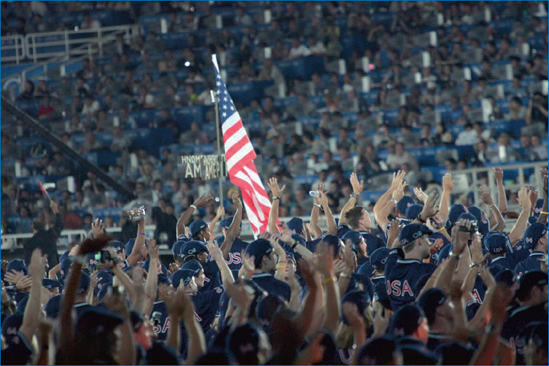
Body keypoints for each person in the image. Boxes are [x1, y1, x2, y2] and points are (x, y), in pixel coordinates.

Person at [23, 200, 63, 267]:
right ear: (44, 225)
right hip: (53, 272)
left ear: (32, 227)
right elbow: (60, 225)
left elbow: (27, 263)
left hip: (37, 274)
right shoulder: (51, 235)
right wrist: (55, 210)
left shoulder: (28, 243)